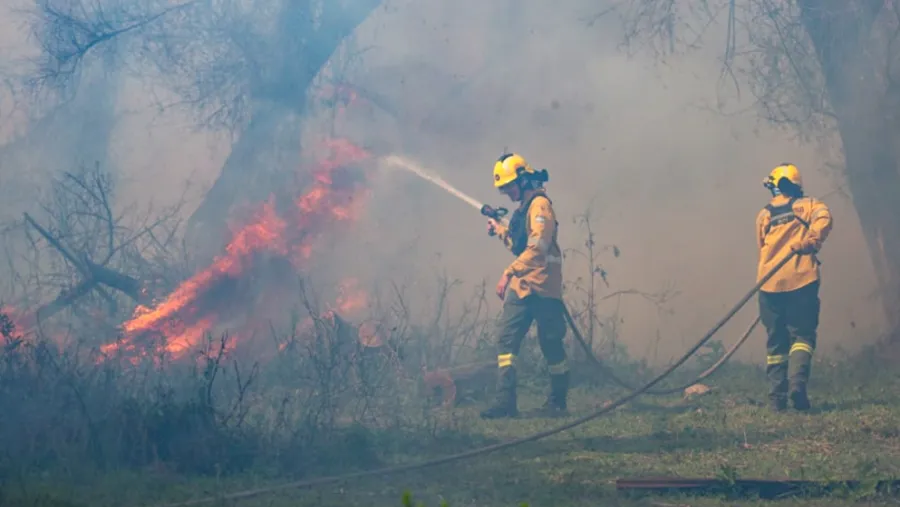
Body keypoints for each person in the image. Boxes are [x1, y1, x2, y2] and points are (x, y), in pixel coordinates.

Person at [480, 153, 569, 419]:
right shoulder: (522, 210)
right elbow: (520, 246)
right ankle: (505, 403)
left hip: (543, 287)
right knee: (506, 343)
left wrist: (508, 273)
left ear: (523, 179)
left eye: (509, 186)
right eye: (503, 188)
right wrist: (499, 230)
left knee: (551, 344)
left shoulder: (540, 206)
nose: (507, 193)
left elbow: (538, 247)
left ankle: (558, 402)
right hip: (522, 288)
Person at [756, 163, 833, 412]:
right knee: (802, 336)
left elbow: (761, 246)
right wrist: (811, 241)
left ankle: (776, 401)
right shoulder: (810, 205)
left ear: (775, 186)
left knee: (776, 343)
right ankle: (797, 386)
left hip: (768, 285)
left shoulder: (763, 215)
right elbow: (825, 219)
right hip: (802, 281)